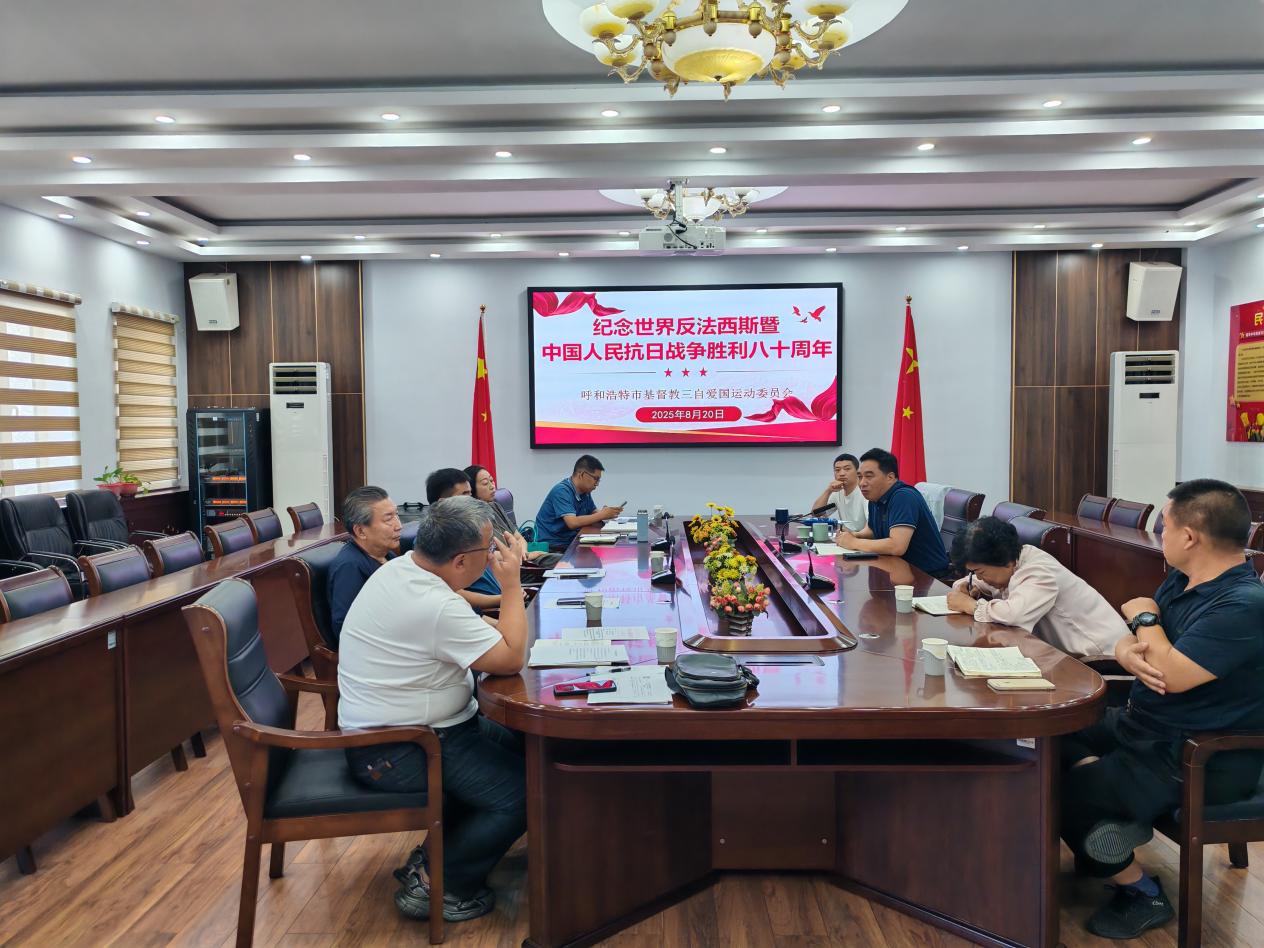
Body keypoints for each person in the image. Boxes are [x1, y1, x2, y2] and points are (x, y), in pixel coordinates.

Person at [1060, 479, 1264, 939]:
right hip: (1147, 727)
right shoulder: (1184, 578)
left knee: (1065, 795)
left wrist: (1145, 615)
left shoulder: (1243, 604)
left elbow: (1169, 672)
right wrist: (1128, 646)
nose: (1160, 535)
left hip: (1198, 755)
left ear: (1189, 536)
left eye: (1164, 526)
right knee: (1052, 737)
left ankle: (1142, 892)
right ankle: (1114, 820)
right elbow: (1140, 645)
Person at [338, 495, 528, 924]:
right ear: (460, 561)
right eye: (489, 549)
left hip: (426, 728)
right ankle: (440, 886)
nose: (493, 555)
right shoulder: (434, 604)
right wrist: (511, 585)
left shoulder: (405, 569)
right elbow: (511, 657)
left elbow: (483, 632)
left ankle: (436, 857)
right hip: (399, 748)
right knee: (520, 794)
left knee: (528, 752)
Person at [945, 516, 1127, 658]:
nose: (978, 578)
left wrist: (971, 606)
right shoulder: (1012, 562)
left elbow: (1014, 615)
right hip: (1068, 656)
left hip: (1104, 659)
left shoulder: (1039, 572)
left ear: (1005, 561)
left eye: (979, 572)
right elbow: (979, 581)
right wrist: (967, 587)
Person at [833, 448, 951, 579]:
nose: (862, 483)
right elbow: (873, 530)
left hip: (928, 576)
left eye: (869, 476)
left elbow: (897, 546)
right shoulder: (875, 497)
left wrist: (854, 542)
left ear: (890, 477)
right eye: (860, 477)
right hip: (898, 568)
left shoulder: (903, 497)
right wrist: (854, 535)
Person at [426, 468, 513, 613]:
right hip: (487, 611)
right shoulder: (433, 539)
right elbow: (452, 592)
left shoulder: (470, 530)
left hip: (501, 603)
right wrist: (503, 598)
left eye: (471, 494)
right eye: (464, 495)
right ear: (443, 503)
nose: (471, 500)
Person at [327, 486, 401, 642]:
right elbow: (345, 628)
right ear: (360, 531)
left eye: (397, 515)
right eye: (388, 519)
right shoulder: (349, 567)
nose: (398, 525)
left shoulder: (387, 555)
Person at [464, 464, 559, 567]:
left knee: (564, 560)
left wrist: (524, 553)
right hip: (506, 566)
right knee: (563, 564)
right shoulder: (472, 518)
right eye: (485, 483)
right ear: (472, 489)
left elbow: (519, 538)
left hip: (523, 560)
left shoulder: (495, 506)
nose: (492, 486)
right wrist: (519, 556)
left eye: (491, 481)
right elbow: (486, 555)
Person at [533, 454, 623, 550]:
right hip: (552, 546)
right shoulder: (562, 491)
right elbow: (572, 523)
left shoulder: (585, 493)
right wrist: (601, 515)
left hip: (570, 541)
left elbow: (594, 515)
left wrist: (608, 516)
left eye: (599, 480)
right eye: (595, 479)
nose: (597, 484)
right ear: (582, 475)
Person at [811, 452, 868, 532]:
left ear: (857, 472)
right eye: (837, 470)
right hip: (845, 536)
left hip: (862, 537)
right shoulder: (837, 492)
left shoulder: (865, 491)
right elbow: (816, 514)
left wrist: (852, 535)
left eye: (847, 469)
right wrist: (828, 491)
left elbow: (872, 528)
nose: (841, 474)